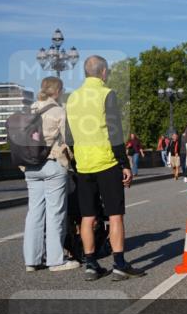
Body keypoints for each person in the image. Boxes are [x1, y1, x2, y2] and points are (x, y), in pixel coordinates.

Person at [64, 55, 146, 281]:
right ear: (103, 72)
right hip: (106, 162)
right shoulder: (106, 94)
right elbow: (115, 131)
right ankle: (119, 264)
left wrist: (77, 160)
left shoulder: (72, 98)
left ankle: (90, 264)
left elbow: (68, 136)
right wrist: (124, 163)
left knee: (87, 217)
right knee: (115, 215)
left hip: (83, 165)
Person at [21, 76, 80, 273]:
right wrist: (71, 161)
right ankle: (55, 260)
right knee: (55, 213)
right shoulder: (58, 111)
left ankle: (32, 260)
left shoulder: (30, 109)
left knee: (34, 213)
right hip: (53, 163)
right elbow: (68, 139)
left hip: (30, 166)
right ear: (58, 91)